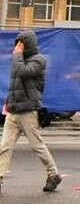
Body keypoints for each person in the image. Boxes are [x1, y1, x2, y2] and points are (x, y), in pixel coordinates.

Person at [0, 31, 61, 193]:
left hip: (28, 111)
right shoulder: (18, 60)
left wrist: (18, 55)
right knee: (4, 147)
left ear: (28, 44)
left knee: (37, 146)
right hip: (13, 111)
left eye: (21, 43)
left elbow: (24, 72)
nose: (17, 46)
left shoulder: (39, 60)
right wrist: (8, 103)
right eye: (17, 43)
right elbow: (15, 85)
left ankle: (53, 174)